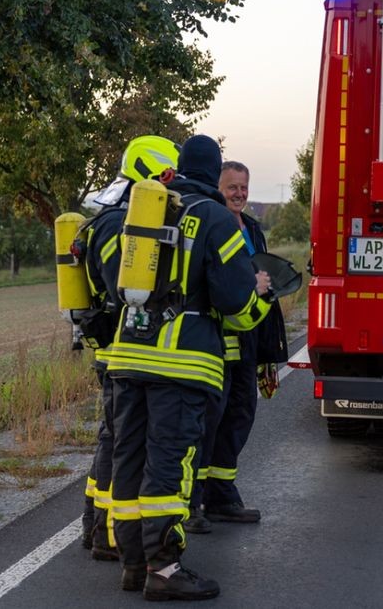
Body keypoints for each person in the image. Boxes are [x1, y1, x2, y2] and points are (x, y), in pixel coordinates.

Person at [106, 135, 273, 601]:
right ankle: (164, 568)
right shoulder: (217, 218)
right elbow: (237, 306)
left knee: (129, 460)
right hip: (180, 365)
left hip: (126, 356)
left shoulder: (147, 209)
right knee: (168, 467)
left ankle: (134, 565)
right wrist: (262, 295)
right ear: (214, 172)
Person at [79, 137, 180, 560]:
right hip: (115, 345)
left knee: (113, 438)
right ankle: (105, 533)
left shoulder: (110, 214)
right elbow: (121, 288)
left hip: (115, 344)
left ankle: (98, 528)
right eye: (169, 178)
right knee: (116, 440)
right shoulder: (115, 222)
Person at [185, 161, 288, 533]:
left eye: (243, 187)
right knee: (206, 425)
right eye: (232, 187)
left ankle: (221, 496)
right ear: (217, 188)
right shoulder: (214, 226)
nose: (239, 194)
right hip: (214, 345)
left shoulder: (253, 229)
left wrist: (267, 353)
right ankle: (192, 502)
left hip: (247, 342)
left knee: (240, 417)